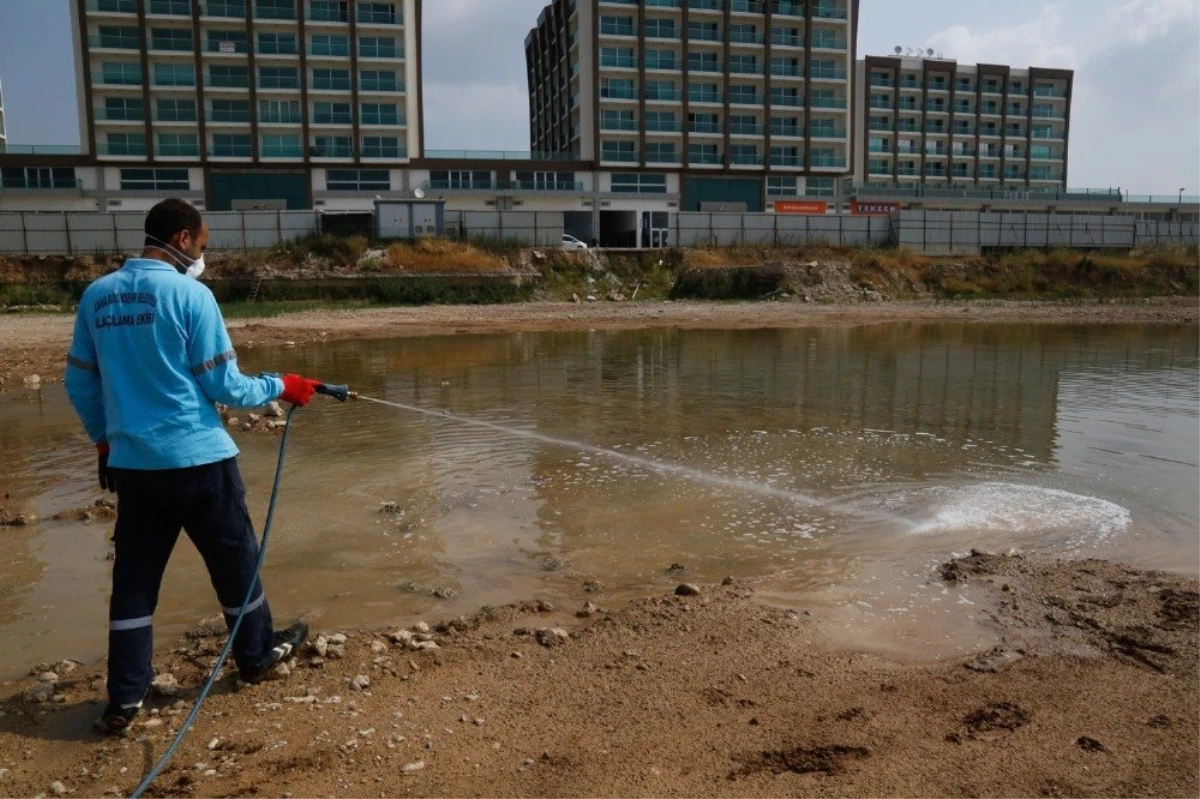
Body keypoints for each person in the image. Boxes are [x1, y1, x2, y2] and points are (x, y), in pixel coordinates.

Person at [65, 199, 317, 736]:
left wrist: (104, 444)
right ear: (182, 240)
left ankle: (125, 699)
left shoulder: (98, 296)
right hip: (200, 462)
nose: (205, 252)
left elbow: (79, 382)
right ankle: (254, 658)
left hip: (133, 467)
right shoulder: (190, 296)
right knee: (235, 562)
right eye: (203, 243)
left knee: (134, 579)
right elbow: (226, 386)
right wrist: (284, 385)